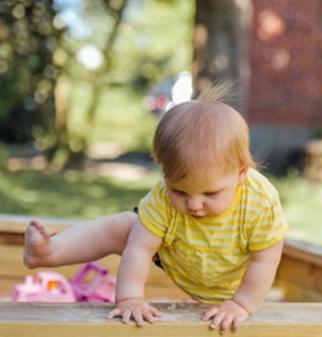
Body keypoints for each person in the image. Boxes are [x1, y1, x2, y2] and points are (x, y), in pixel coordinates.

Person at [22, 84, 288, 334]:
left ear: (241, 174)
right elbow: (138, 250)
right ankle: (49, 251)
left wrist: (241, 304)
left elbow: (265, 259)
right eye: (180, 191)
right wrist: (130, 298)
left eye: (210, 193)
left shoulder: (259, 203)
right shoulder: (161, 199)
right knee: (125, 226)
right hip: (179, 253)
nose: (194, 204)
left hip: (232, 274)